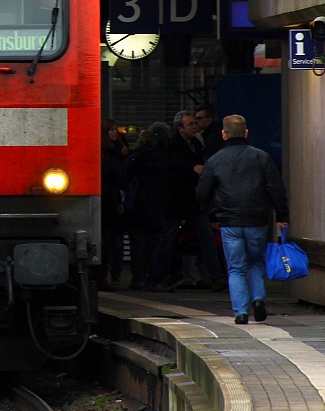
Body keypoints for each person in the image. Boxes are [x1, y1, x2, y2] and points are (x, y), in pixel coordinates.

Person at [196, 114, 290, 325]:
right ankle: (258, 299)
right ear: (246, 133)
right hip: (256, 219)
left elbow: (202, 193)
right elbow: (276, 189)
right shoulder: (262, 157)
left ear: (223, 134)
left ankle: (240, 311)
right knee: (255, 262)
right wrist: (282, 215)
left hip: (230, 222)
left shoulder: (215, 160)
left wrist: (207, 208)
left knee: (236, 268)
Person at [152, 111, 227, 291]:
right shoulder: (174, 145)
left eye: (195, 123)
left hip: (193, 201)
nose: (195, 126)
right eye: (190, 124)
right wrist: (193, 167)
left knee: (206, 238)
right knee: (168, 240)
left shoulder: (195, 143)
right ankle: (157, 279)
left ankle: (216, 277)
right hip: (176, 201)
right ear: (180, 128)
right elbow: (176, 163)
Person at [122, 125, 167, 290]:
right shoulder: (161, 159)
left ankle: (138, 278)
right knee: (154, 245)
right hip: (156, 206)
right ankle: (154, 279)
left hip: (137, 206)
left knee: (137, 245)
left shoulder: (134, 158)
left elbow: (124, 179)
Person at [99, 118, 128, 289]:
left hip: (112, 196)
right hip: (107, 197)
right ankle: (106, 275)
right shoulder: (106, 153)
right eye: (111, 130)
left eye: (116, 129)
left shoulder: (114, 151)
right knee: (108, 238)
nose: (115, 132)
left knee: (112, 238)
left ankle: (110, 274)